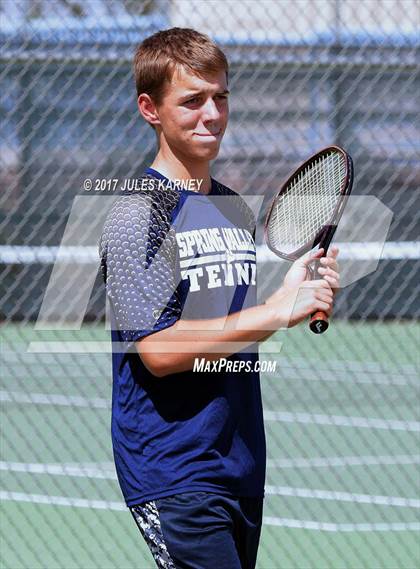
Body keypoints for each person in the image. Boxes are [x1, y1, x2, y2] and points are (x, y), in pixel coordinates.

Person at [99, 27, 339, 569]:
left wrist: (291, 293)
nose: (212, 114)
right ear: (150, 109)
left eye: (220, 97)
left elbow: (226, 330)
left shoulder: (233, 208)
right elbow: (159, 351)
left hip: (240, 463)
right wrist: (276, 311)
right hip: (174, 470)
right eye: (192, 101)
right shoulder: (139, 214)